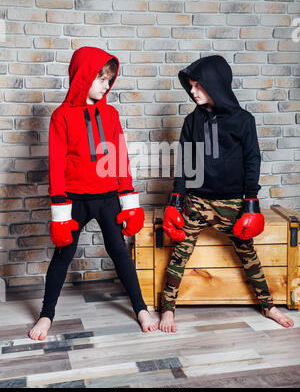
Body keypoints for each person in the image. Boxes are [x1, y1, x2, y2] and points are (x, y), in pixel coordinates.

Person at [29, 46, 158, 340]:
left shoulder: (110, 114)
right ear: (84, 77)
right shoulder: (61, 116)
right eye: (101, 79)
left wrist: (129, 200)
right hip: (74, 200)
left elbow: (120, 158)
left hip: (108, 197)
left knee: (120, 254)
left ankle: (140, 308)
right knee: (63, 256)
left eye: (109, 79)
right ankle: (46, 315)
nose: (107, 85)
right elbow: (57, 165)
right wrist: (59, 211)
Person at [159, 55, 294, 333]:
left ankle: (269, 306)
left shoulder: (243, 121)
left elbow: (252, 161)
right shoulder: (191, 121)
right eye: (191, 86)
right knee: (180, 253)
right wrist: (175, 200)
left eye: (198, 86)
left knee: (248, 255)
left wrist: (251, 203)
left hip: (233, 203)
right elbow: (185, 162)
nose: (192, 91)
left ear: (216, 85)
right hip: (196, 201)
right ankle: (167, 309)